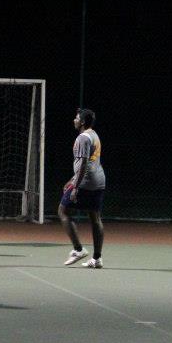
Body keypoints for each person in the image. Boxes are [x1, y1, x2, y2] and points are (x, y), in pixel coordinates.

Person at [59, 108, 106, 268]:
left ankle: (78, 249)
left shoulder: (82, 138)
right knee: (95, 218)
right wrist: (72, 180)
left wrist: (75, 187)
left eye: (77, 118)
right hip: (99, 181)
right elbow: (90, 161)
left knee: (63, 211)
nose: (74, 120)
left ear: (83, 122)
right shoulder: (94, 135)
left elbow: (84, 163)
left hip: (85, 182)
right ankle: (97, 258)